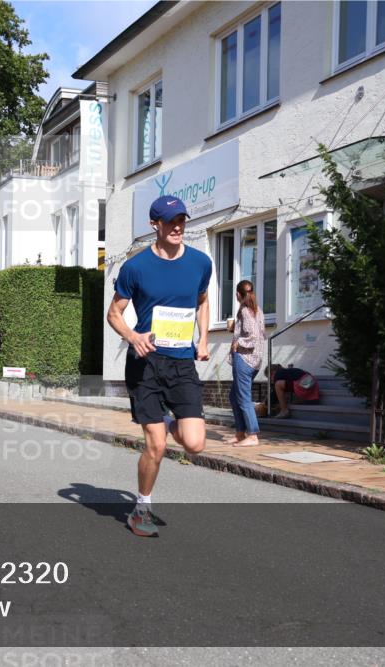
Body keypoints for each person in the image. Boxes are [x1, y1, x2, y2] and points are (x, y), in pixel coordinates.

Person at [107, 196, 211, 537]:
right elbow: (114, 313)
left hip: (182, 364)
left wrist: (204, 339)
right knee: (157, 445)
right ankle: (142, 508)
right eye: (170, 221)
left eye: (181, 219)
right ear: (156, 225)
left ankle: (167, 421)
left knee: (194, 443)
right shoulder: (136, 268)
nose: (178, 226)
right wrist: (134, 337)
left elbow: (202, 301)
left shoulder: (200, 262)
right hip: (146, 364)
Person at [228, 280, 266, 447]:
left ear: (238, 294)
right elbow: (260, 333)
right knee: (234, 396)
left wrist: (238, 343)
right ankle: (240, 432)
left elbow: (253, 335)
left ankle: (252, 434)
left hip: (244, 359)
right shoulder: (258, 311)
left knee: (243, 398)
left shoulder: (244, 310)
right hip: (255, 360)